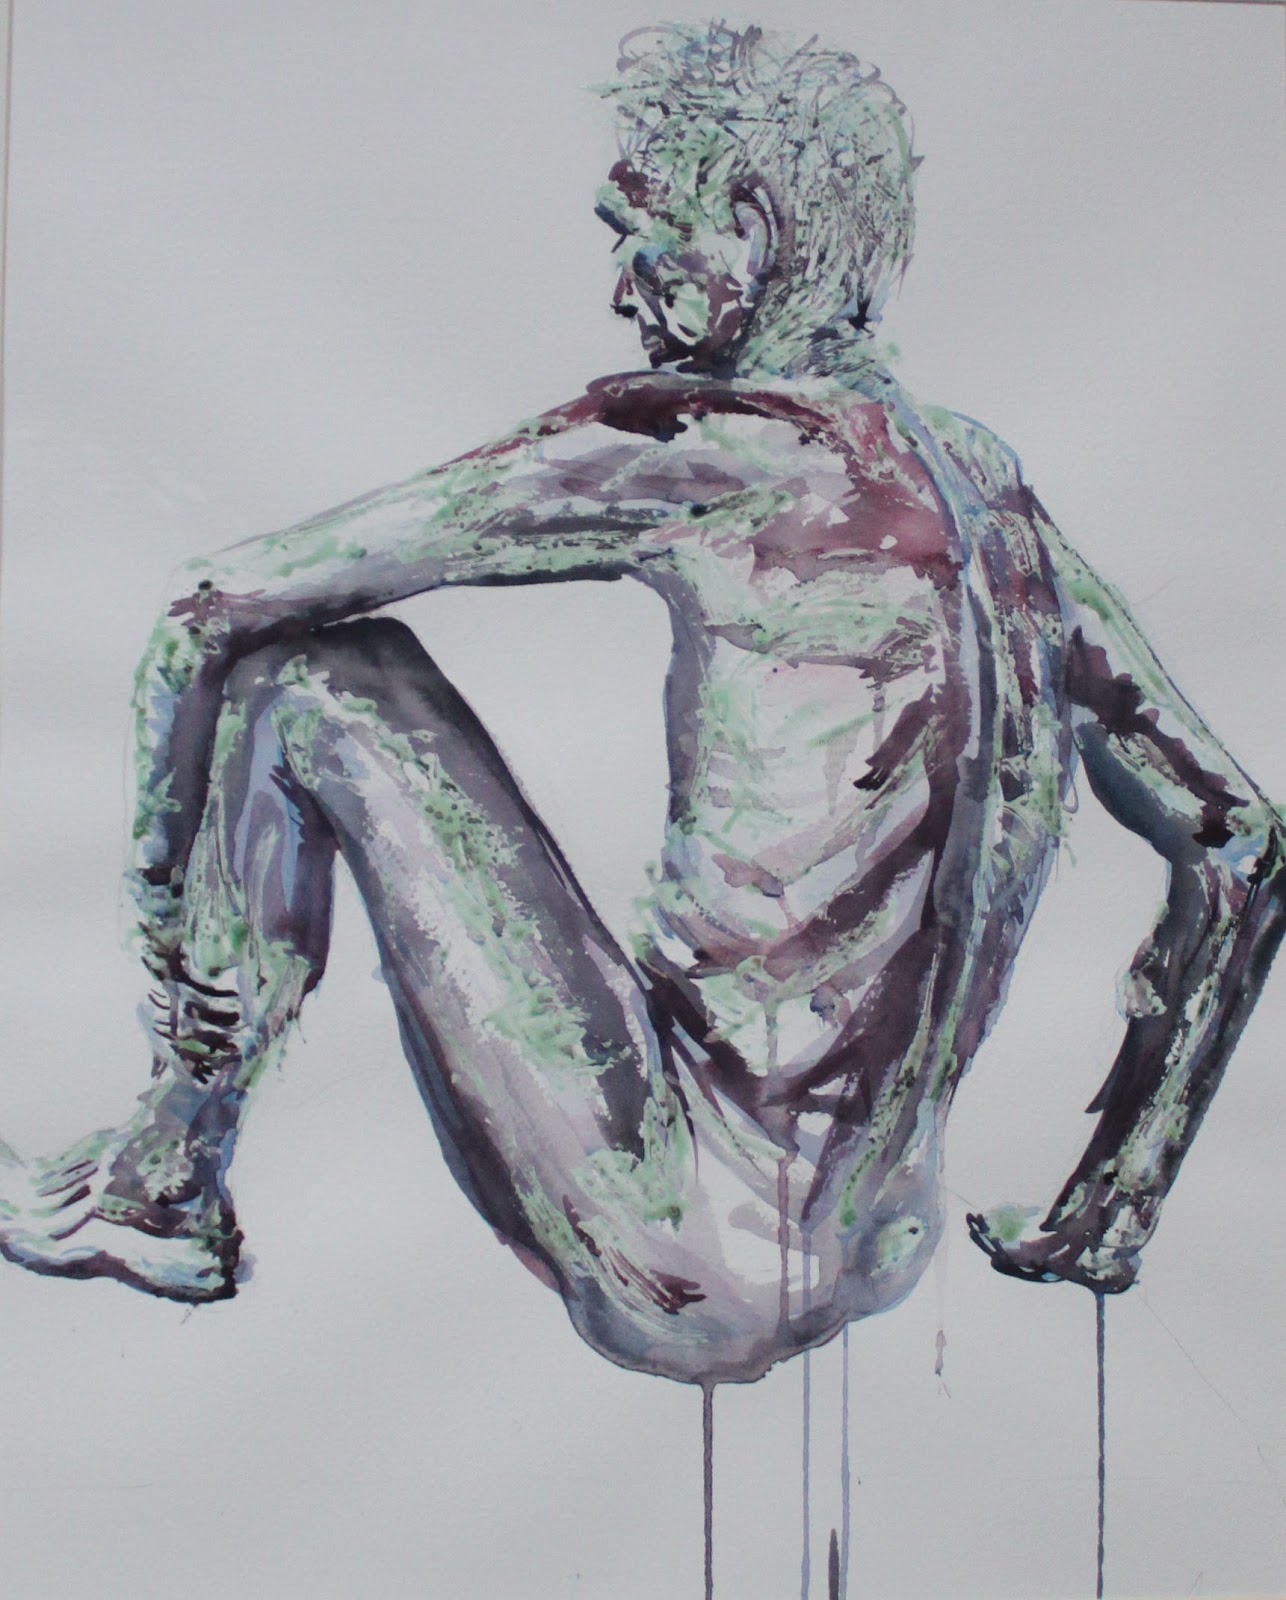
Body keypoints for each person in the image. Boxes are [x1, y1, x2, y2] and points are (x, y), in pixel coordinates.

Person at [1, 22, 1281, 1388]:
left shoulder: (712, 445)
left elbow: (212, 603)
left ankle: (167, 1169)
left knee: (307, 675)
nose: (621, 287)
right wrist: (1116, 1197)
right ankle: (1107, 1218)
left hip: (689, 1245)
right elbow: (1240, 844)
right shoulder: (983, 487)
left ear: (750, 226)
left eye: (643, 233)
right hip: (883, 1237)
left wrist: (170, 952)